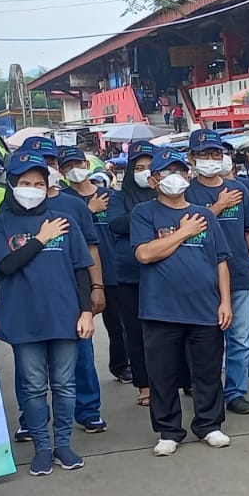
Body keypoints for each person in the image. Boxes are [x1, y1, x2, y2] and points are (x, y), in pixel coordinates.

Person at [0, 149, 95, 476]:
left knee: (64, 385)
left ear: (47, 185)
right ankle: (42, 447)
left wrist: (86, 311)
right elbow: (6, 265)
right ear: (11, 184)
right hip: (23, 318)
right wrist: (42, 238)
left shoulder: (66, 222)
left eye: (37, 182)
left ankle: (63, 444)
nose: (31, 188)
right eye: (24, 182)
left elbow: (80, 270)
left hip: (64, 317)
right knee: (33, 387)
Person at [131, 149, 234, 457]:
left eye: (180, 171)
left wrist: (225, 302)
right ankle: (168, 430)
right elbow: (145, 254)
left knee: (207, 370)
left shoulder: (204, 215)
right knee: (162, 373)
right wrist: (184, 232)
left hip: (204, 307)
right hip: (160, 309)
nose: (175, 177)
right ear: (154, 180)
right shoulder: (144, 213)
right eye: (166, 172)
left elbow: (221, 261)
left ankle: (209, 424)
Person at [17, 138, 108, 437]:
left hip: (70, 296)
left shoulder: (72, 206)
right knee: (30, 367)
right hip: (29, 298)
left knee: (80, 357)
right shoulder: (13, 211)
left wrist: (97, 286)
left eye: (49, 162)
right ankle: (30, 419)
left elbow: (90, 251)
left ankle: (88, 410)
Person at [186, 137, 249, 416]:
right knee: (205, 340)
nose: (211, 159)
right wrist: (217, 207)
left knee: (241, 340)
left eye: (216, 153)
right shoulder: (187, 193)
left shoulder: (239, 189)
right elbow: (186, 229)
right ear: (192, 158)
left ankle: (235, 392)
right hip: (201, 278)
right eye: (205, 154)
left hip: (240, 275)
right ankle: (206, 390)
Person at [62, 147, 130, 385]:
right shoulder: (64, 200)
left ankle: (121, 365)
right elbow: (67, 232)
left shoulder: (111, 196)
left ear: (86, 165)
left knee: (119, 323)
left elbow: (118, 226)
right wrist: (89, 211)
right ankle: (78, 377)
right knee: (80, 325)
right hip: (78, 271)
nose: (74, 170)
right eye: (68, 167)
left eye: (78, 164)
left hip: (111, 267)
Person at [108, 142, 157, 408]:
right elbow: (116, 223)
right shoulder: (119, 197)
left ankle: (183, 380)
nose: (144, 172)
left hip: (165, 275)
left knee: (173, 332)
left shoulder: (168, 193)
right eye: (138, 167)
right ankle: (145, 385)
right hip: (130, 276)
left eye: (149, 167)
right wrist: (151, 215)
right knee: (136, 334)